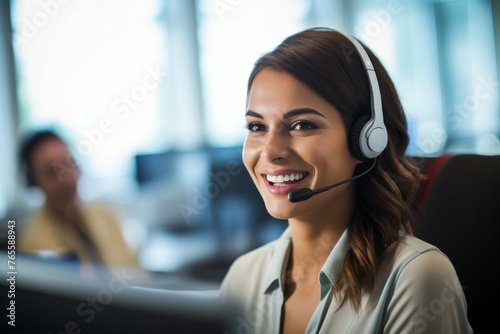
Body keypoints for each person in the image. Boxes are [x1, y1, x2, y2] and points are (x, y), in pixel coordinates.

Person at [219, 28, 472, 333]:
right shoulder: (242, 278)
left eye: (301, 125)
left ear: (367, 140)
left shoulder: (415, 277)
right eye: (257, 126)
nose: (270, 151)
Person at [18, 130, 141, 273]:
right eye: (52, 172)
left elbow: (138, 273)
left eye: (69, 163)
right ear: (33, 181)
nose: (67, 179)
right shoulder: (34, 247)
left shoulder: (106, 214)